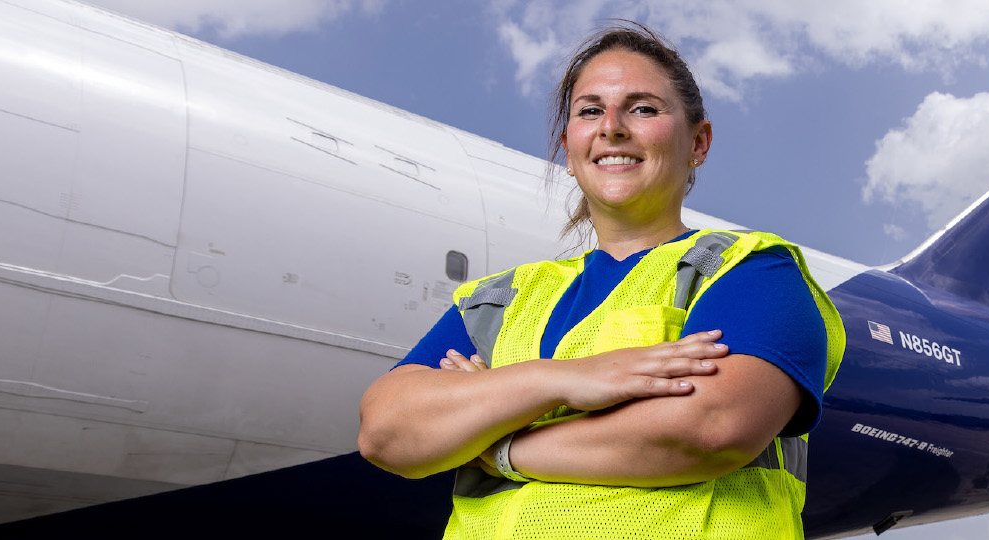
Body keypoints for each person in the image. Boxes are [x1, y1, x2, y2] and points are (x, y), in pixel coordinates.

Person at [356, 21, 845, 540]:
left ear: (698, 142)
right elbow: (385, 433)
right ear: (569, 148)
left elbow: (708, 429)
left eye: (643, 109)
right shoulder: (501, 299)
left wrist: (496, 444)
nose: (612, 127)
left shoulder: (749, 271)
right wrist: (564, 379)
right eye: (590, 111)